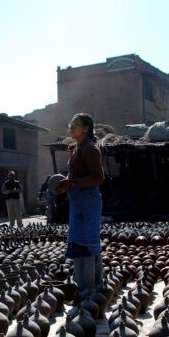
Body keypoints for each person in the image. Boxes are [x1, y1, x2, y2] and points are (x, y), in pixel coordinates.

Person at [56, 113, 105, 295]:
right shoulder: (78, 148)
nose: (71, 127)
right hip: (78, 202)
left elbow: (99, 178)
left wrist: (72, 183)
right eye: (70, 123)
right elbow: (76, 175)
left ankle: (89, 288)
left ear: (86, 128)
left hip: (88, 202)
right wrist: (65, 185)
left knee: (86, 243)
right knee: (80, 241)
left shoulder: (91, 149)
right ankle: (88, 286)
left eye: (75, 124)